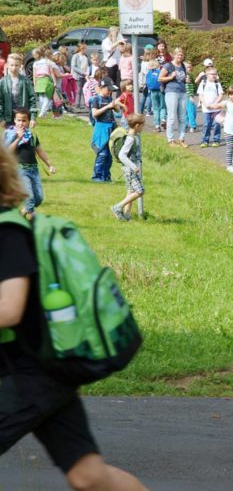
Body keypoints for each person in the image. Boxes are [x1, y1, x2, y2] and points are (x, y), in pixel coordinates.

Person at [0, 145, 147, 491]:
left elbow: (9, 307)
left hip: (30, 374)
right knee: (89, 477)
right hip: (44, 370)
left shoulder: (7, 232)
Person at [3, 108, 55, 219]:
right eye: (18, 120)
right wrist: (18, 138)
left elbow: (40, 151)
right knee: (30, 199)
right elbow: (7, 152)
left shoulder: (32, 135)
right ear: (14, 120)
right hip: (20, 170)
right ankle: (31, 225)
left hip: (34, 170)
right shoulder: (10, 133)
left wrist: (50, 164)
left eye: (24, 120)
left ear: (28, 121)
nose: (21, 123)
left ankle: (18, 217)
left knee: (39, 198)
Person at [111, 114, 145, 222]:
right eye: (142, 126)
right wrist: (133, 166)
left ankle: (126, 215)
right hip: (130, 169)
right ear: (137, 126)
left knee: (130, 191)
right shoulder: (130, 138)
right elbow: (122, 155)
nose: (143, 128)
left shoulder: (132, 135)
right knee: (140, 191)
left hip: (128, 168)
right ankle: (117, 207)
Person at [89, 78, 121, 183]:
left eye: (111, 90)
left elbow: (117, 111)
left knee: (110, 155)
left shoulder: (109, 98)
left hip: (111, 127)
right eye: (108, 89)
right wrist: (107, 107)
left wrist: (115, 105)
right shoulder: (96, 99)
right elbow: (94, 114)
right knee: (102, 154)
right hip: (101, 128)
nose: (110, 92)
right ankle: (97, 176)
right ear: (101, 88)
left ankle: (106, 176)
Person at [158, 47, 188, 147]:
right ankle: (170, 140)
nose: (180, 56)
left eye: (181, 55)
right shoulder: (168, 65)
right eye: (178, 54)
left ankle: (181, 139)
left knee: (182, 117)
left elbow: (182, 79)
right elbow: (160, 78)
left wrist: (186, 80)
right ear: (174, 55)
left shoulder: (183, 65)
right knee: (171, 117)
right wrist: (171, 77)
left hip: (182, 92)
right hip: (171, 92)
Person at [0, 53, 37, 130]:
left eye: (16, 65)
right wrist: (1, 118)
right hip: (8, 117)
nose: (14, 68)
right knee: (10, 140)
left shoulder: (26, 81)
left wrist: (33, 118)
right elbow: (0, 101)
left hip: (23, 117)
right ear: (7, 65)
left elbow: (32, 99)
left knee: (23, 139)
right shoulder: (2, 82)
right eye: (12, 65)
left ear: (20, 65)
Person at [198, 66, 223, 148]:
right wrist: (205, 104)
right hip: (206, 109)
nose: (214, 75)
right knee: (206, 125)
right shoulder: (203, 83)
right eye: (212, 74)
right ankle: (205, 141)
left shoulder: (217, 84)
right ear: (207, 75)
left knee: (216, 125)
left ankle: (216, 140)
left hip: (216, 109)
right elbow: (200, 95)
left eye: (215, 74)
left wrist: (215, 104)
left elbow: (221, 95)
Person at [31, 47, 57, 119]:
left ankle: (42, 112)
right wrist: (34, 83)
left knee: (44, 96)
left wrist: (54, 81)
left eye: (34, 54)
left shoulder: (42, 62)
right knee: (43, 96)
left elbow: (51, 72)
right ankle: (43, 112)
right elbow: (34, 74)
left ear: (38, 54)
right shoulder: (38, 63)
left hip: (44, 79)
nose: (33, 56)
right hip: (41, 79)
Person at [144, 60, 164, 132]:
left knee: (155, 108)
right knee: (162, 107)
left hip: (152, 91)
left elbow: (146, 82)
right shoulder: (160, 72)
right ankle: (163, 119)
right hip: (161, 91)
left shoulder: (148, 73)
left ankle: (157, 125)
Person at [70, 44, 89, 110]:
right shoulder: (76, 56)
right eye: (85, 49)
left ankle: (84, 104)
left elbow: (87, 65)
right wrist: (82, 72)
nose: (86, 50)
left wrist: (87, 73)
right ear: (81, 49)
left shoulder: (85, 56)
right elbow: (73, 66)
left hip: (85, 76)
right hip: (79, 76)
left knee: (84, 90)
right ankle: (77, 104)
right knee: (79, 90)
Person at [184, 60, 197, 133]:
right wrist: (190, 96)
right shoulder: (187, 76)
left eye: (189, 67)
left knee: (186, 111)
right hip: (188, 95)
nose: (189, 68)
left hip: (187, 95)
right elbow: (187, 87)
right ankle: (192, 126)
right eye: (187, 67)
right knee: (191, 111)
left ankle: (185, 125)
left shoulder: (188, 75)